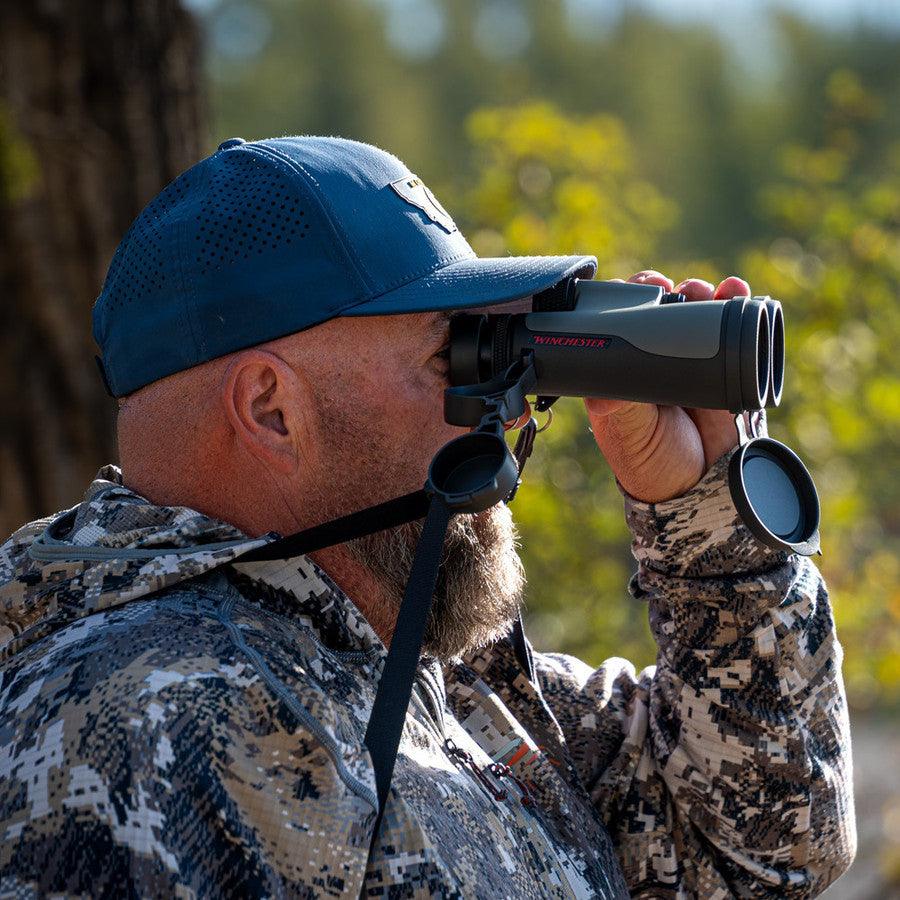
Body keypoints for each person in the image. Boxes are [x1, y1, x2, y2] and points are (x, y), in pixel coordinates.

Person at [0, 136, 855, 898]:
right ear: (271, 410)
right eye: (457, 356)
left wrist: (702, 519)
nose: (507, 413)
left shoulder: (453, 684)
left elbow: (763, 851)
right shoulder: (136, 724)